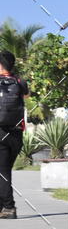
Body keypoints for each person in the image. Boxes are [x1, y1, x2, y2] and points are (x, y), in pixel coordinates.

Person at [0, 50, 28, 219]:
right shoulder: (20, 81)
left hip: (1, 132)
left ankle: (9, 208)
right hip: (16, 134)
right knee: (4, 171)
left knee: (2, 172)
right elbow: (25, 95)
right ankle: (3, 207)